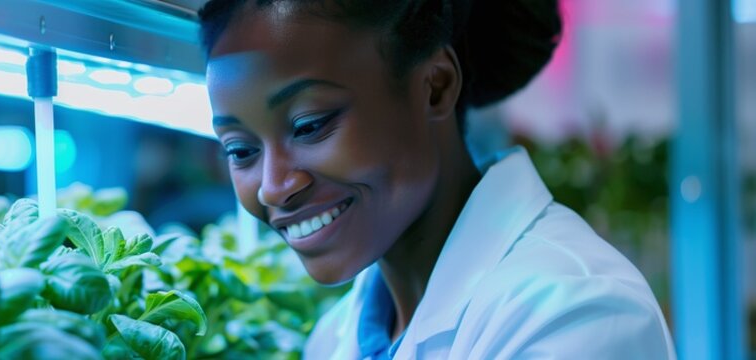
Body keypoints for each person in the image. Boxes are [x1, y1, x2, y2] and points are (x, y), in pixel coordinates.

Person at [198, 0, 676, 358]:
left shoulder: (578, 313)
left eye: (309, 125)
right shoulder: (333, 338)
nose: (273, 186)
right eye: (241, 151)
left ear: (435, 87)